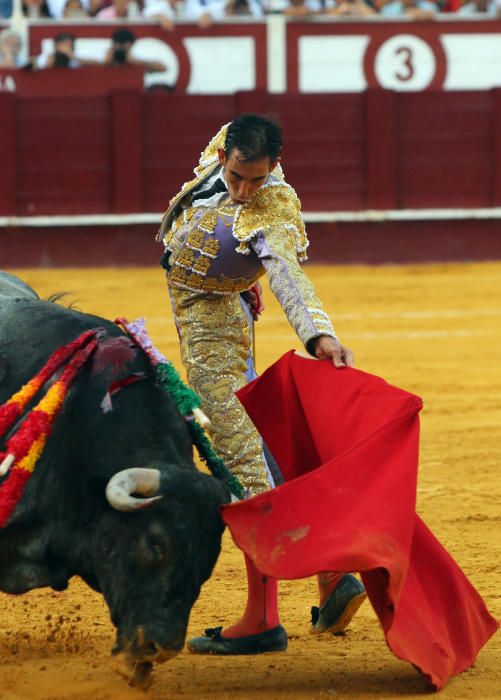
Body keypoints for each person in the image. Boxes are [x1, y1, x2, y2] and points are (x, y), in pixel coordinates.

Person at [157, 114, 367, 655]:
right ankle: (332, 570)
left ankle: (263, 620)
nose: (245, 190)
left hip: (213, 336)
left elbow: (288, 275)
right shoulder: (223, 145)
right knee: (265, 451)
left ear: (275, 165)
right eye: (236, 178)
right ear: (225, 154)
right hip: (220, 312)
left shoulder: (274, 209)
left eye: (256, 179)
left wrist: (319, 335)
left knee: (240, 466)